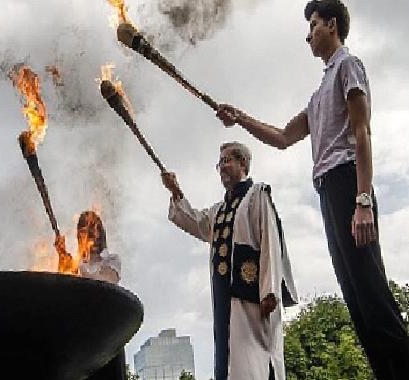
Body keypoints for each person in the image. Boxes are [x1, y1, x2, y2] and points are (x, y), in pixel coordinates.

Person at [215, 1, 409, 378]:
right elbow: (283, 137)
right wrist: (238, 117)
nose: (308, 35)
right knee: (355, 298)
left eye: (314, 25)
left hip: (348, 183)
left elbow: (361, 131)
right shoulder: (320, 91)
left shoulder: (348, 66)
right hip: (327, 190)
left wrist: (363, 200)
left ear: (332, 26)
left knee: (372, 294)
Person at [162, 142, 297, 380]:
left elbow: (271, 244)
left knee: (256, 360)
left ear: (243, 163)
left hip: (254, 298)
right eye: (220, 163)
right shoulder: (219, 210)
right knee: (230, 362)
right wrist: (176, 191)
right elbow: (194, 221)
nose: (222, 167)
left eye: (227, 161)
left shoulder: (257, 196)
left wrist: (270, 291)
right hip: (226, 300)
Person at [55, 210, 124, 380]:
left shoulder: (111, 260)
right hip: (82, 341)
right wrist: (62, 257)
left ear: (101, 231)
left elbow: (106, 283)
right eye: (84, 229)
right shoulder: (77, 263)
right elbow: (62, 289)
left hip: (108, 338)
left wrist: (79, 267)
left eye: (93, 227)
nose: (90, 232)